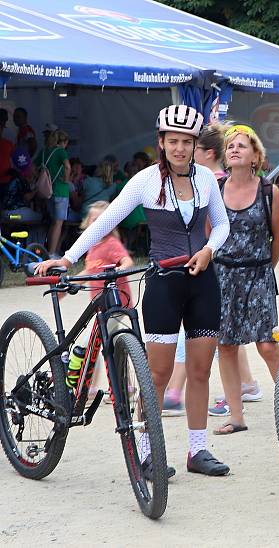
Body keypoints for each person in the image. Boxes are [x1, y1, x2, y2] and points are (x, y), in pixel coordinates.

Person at [36, 104, 232, 477]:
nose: (179, 148)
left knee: (201, 370)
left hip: (203, 281)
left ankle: (198, 450)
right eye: (172, 141)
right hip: (163, 283)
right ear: (161, 142)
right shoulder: (144, 181)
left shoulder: (206, 179)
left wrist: (209, 250)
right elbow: (106, 221)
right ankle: (146, 451)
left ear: (194, 145)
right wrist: (68, 257)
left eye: (186, 142)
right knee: (155, 375)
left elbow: (220, 225)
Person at [212, 124, 279, 435]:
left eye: (242, 145)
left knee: (267, 345)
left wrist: (263, 267)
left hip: (258, 273)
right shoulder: (215, 190)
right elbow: (209, 236)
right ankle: (236, 416)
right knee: (226, 346)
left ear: (255, 155)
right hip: (222, 276)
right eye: (230, 146)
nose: (234, 149)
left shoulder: (269, 191)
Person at [64, 201, 134, 401]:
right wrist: (72, 282)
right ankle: (94, 387)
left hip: (116, 305)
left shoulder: (111, 243)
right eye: (94, 220)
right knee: (104, 345)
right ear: (87, 223)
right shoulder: (92, 247)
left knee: (89, 346)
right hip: (100, 307)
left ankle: (79, 389)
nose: (97, 224)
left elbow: (126, 260)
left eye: (102, 220)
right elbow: (90, 270)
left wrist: (120, 269)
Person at [34, 129, 71, 256]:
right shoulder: (61, 151)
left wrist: (38, 177)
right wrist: (66, 180)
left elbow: (33, 167)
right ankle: (52, 252)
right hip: (61, 190)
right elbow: (67, 167)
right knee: (58, 223)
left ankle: (47, 250)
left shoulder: (44, 152)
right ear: (64, 142)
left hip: (48, 192)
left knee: (52, 222)